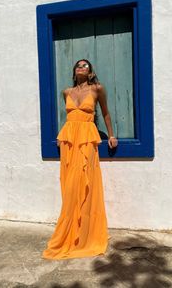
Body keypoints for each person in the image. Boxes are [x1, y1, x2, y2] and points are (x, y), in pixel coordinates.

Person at [42, 59, 118, 260]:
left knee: (86, 183)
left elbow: (106, 113)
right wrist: (61, 136)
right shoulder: (67, 92)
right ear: (74, 72)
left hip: (87, 139)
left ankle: (86, 233)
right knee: (69, 185)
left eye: (85, 65)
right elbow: (69, 117)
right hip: (68, 141)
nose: (81, 67)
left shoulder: (97, 89)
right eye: (78, 65)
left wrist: (111, 135)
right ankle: (70, 229)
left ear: (90, 71)